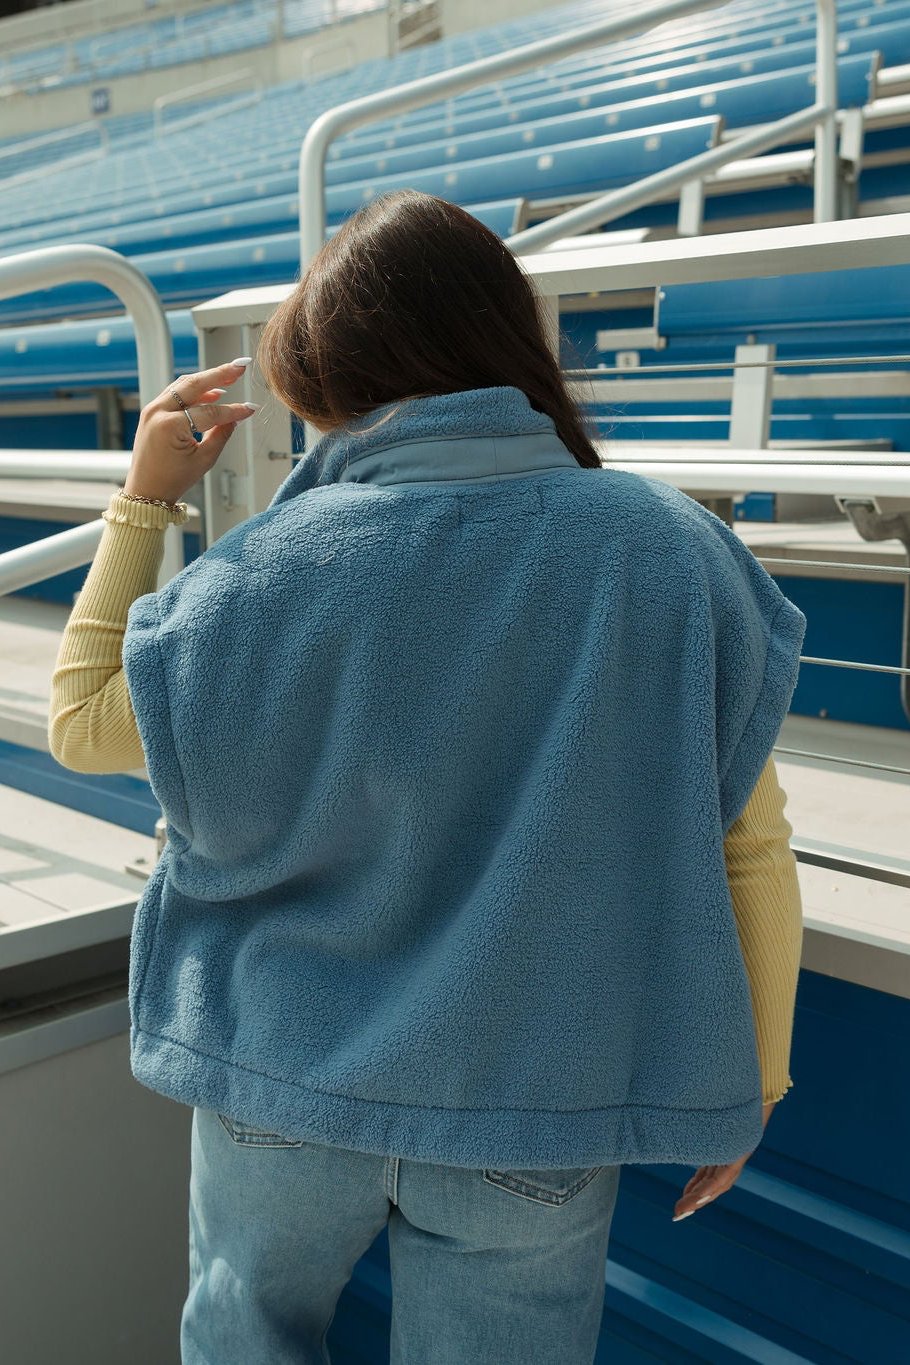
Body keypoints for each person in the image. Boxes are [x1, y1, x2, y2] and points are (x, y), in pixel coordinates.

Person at [48, 188, 806, 1365]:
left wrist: (145, 502)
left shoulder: (263, 568)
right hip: (531, 1100)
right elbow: (748, 842)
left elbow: (82, 721)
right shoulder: (666, 548)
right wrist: (750, 1081)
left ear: (333, 382)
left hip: (274, 1077)